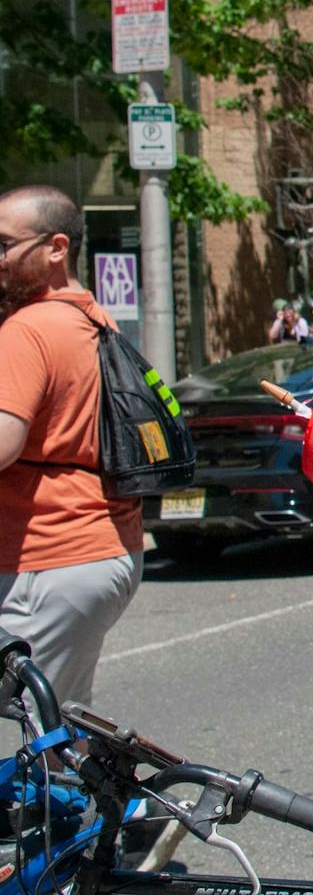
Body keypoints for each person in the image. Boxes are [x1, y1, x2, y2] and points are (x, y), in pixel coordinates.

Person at [0, 186, 145, 709]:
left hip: (46, 556)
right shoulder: (95, 320)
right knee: (62, 724)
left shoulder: (27, 329)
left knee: (50, 738)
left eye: (3, 245)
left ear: (56, 247)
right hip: (102, 548)